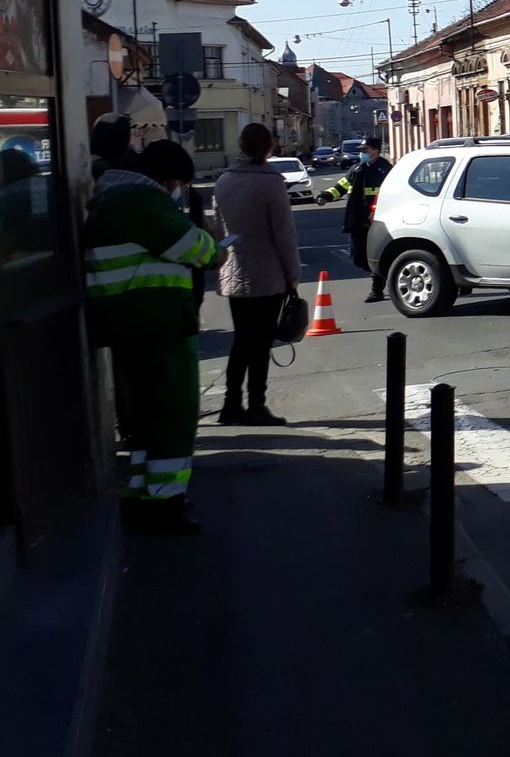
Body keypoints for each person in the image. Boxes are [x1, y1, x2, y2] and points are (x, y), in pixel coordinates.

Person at [83, 139, 220, 533]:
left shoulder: (109, 199)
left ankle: (142, 493)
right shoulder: (141, 201)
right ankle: (166, 503)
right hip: (157, 326)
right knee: (173, 414)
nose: (177, 191)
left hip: (127, 325)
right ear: (168, 179)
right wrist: (217, 251)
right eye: (177, 184)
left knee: (144, 418)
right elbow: (194, 247)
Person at [211, 122, 301, 426]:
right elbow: (283, 235)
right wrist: (293, 273)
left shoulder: (224, 181)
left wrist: (230, 251)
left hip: (234, 270)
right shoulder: (272, 184)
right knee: (261, 344)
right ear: (269, 148)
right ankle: (256, 405)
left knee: (241, 341)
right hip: (267, 274)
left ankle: (230, 404)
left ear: (240, 146)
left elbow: (223, 232)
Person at [319, 133, 392, 300]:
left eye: (365, 149)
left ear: (375, 151)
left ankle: (377, 289)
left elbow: (387, 195)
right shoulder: (357, 169)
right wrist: (325, 196)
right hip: (356, 219)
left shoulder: (384, 169)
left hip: (374, 220)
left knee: (373, 254)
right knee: (357, 257)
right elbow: (341, 187)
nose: (362, 152)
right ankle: (383, 273)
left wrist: (376, 211)